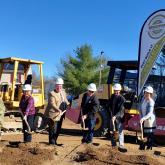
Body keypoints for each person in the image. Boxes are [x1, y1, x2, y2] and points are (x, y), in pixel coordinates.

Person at [45, 77, 70, 146]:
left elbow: (65, 99)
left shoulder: (63, 92)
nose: (59, 87)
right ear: (55, 85)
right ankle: (52, 143)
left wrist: (69, 105)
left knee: (58, 129)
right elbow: (52, 104)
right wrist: (58, 110)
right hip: (53, 114)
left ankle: (54, 141)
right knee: (53, 129)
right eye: (58, 85)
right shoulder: (52, 94)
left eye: (60, 85)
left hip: (61, 114)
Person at [108, 83, 127, 152]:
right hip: (112, 116)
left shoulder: (122, 99)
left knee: (120, 131)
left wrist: (115, 116)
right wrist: (111, 114)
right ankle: (113, 145)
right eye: (115, 90)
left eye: (117, 90)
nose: (116, 92)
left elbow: (121, 110)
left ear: (120, 91)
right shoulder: (112, 96)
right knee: (112, 131)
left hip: (119, 118)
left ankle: (121, 145)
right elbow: (109, 106)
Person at [139, 86, 156, 150]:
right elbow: (140, 109)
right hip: (143, 119)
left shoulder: (151, 102)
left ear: (151, 94)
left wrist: (143, 118)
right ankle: (142, 148)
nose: (146, 94)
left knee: (149, 134)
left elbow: (150, 113)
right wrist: (141, 117)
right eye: (145, 92)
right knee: (143, 133)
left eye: (148, 93)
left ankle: (149, 148)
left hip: (149, 120)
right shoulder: (143, 99)